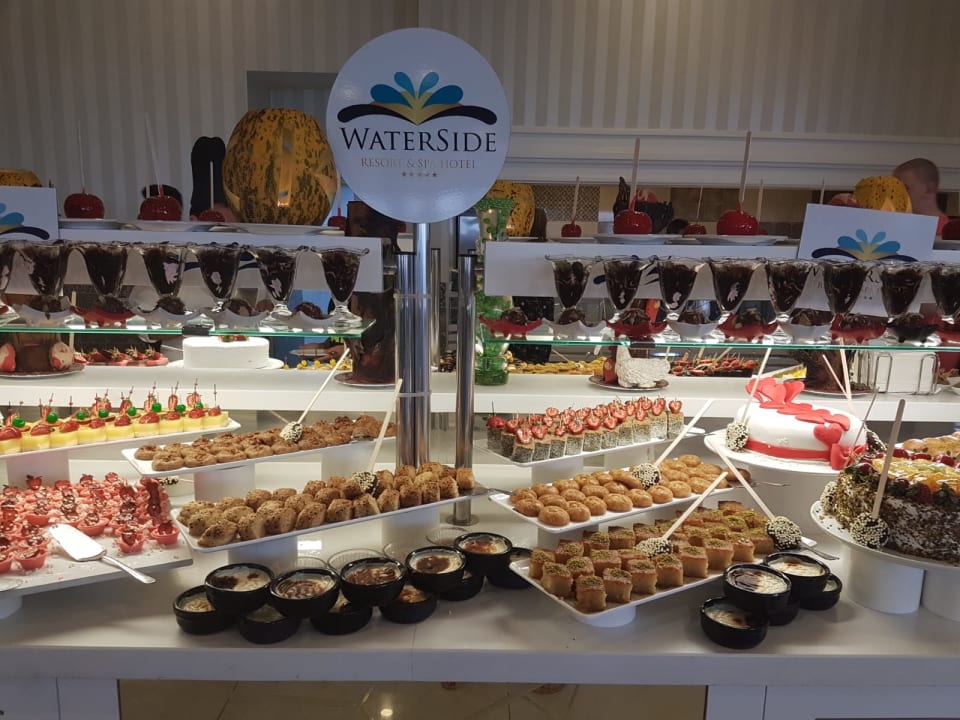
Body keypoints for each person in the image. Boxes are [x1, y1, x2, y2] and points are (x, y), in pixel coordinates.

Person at [893, 158, 948, 235]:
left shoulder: (945, 232)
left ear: (929, 189)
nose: (896, 195)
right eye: (895, 189)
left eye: (905, 188)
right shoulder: (899, 226)